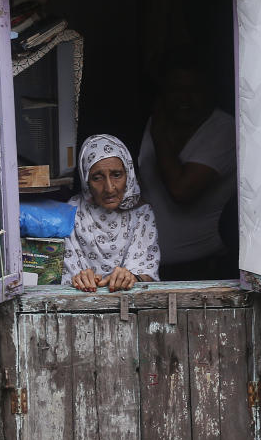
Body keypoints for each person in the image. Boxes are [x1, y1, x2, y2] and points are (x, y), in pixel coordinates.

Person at [136, 65, 237, 280]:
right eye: (175, 90)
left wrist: (159, 135)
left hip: (202, 273)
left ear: (210, 91)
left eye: (194, 90)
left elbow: (181, 190)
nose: (185, 98)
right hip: (147, 272)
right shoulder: (152, 123)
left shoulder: (224, 129)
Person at [63, 134, 160, 291]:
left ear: (128, 174)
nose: (109, 188)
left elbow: (147, 273)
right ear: (86, 180)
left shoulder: (141, 213)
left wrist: (131, 277)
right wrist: (79, 278)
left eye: (116, 175)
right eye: (97, 178)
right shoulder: (71, 212)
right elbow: (65, 276)